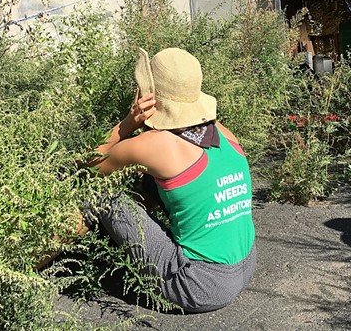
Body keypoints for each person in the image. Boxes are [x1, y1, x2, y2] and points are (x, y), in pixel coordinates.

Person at [84, 47, 256, 313]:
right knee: (162, 183)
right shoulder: (223, 133)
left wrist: (128, 123)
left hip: (199, 285)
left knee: (102, 195)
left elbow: (89, 167)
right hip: (245, 265)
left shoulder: (157, 144)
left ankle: (35, 260)